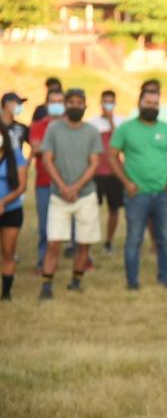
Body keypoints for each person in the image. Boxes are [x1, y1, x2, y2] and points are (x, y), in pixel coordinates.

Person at [108, 89, 167, 290]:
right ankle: (132, 282)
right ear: (140, 103)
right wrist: (126, 182)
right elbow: (112, 156)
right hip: (137, 194)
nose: (152, 106)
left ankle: (164, 279)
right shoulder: (126, 129)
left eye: (155, 103)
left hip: (163, 194)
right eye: (148, 102)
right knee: (134, 239)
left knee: (165, 239)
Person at [39, 88, 103, 300]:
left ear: (85, 105)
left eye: (79, 102)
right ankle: (47, 285)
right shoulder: (54, 129)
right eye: (72, 102)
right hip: (59, 196)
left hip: (85, 196)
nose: (75, 105)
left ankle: (76, 280)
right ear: (66, 105)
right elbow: (47, 159)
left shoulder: (92, 132)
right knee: (54, 242)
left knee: (84, 241)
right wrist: (64, 187)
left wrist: (75, 188)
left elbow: (94, 163)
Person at [29, 89, 65, 272]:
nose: (57, 104)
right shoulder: (37, 126)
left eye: (60, 101)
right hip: (44, 183)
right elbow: (36, 150)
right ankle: (43, 261)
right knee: (45, 225)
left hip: (67, 184)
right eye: (53, 101)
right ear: (46, 104)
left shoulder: (70, 125)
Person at [88, 90, 125, 253]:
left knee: (114, 209)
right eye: (105, 101)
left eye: (111, 102)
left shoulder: (121, 122)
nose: (107, 105)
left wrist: (111, 121)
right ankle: (88, 241)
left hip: (115, 173)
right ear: (100, 103)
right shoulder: (92, 123)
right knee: (91, 210)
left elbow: (121, 144)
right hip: (96, 173)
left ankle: (108, 241)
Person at [0, 125, 28, 301]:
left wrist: (3, 202)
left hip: (11, 210)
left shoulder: (16, 156)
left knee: (8, 251)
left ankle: (6, 293)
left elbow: (21, 186)